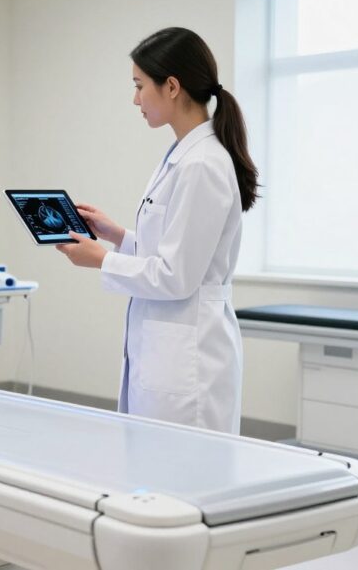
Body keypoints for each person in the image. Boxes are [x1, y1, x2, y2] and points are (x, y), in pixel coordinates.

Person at [55, 27, 259, 434]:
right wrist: (118, 236)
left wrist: (103, 260)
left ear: (171, 86)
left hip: (190, 363)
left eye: (139, 86)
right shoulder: (182, 156)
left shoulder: (202, 163)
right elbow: (175, 253)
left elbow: (177, 276)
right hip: (169, 353)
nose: (135, 99)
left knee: (185, 481)